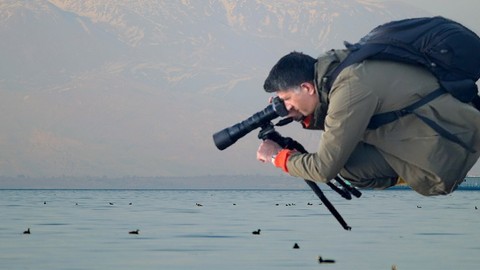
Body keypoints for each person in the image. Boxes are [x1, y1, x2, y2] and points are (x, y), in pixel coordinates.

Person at [256, 50, 480, 196]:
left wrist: (277, 156)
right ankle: (411, 168)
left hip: (450, 146)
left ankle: (419, 172)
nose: (285, 106)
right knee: (347, 153)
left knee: (346, 165)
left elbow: (324, 168)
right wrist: (298, 115)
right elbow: (342, 119)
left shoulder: (348, 91)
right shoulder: (342, 68)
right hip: (453, 123)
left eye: (286, 99)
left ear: (306, 88)